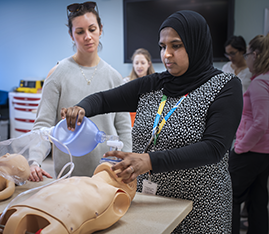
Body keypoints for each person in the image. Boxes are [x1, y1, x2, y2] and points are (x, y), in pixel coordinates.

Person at [61, 10, 243, 233]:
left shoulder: (224, 86)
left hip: (202, 207)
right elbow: (103, 99)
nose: (166, 54)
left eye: (176, 45)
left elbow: (214, 148)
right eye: (162, 46)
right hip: (154, 202)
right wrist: (81, 108)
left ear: (196, 43)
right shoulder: (155, 84)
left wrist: (150, 161)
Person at [29, 1, 132, 181]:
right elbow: (42, 125)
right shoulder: (57, 74)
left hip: (107, 174)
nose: (87, 36)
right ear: (71, 35)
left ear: (100, 29)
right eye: (80, 31)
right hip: (68, 174)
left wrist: (128, 162)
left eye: (92, 29)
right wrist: (34, 161)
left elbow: (123, 128)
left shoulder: (114, 77)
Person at [0, 161, 136, 233]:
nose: (120, 167)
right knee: (2, 222)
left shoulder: (115, 196)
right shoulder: (75, 178)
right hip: (32, 205)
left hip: (60, 220)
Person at [229, 33, 269, 234]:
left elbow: (261, 123)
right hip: (263, 154)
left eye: (249, 55)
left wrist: (240, 147)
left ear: (257, 55)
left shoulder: (259, 83)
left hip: (250, 152)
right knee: (257, 200)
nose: (247, 60)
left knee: (230, 196)